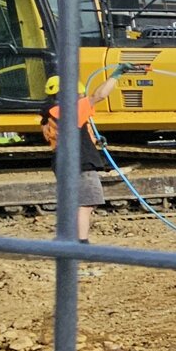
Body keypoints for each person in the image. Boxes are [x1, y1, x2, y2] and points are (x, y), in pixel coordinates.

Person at [39, 67, 125, 242]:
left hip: (64, 162)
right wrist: (116, 75)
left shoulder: (49, 114)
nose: (80, 96)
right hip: (80, 163)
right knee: (85, 204)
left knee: (75, 203)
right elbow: (99, 95)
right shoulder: (68, 110)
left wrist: (92, 140)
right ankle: (80, 243)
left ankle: (65, 238)